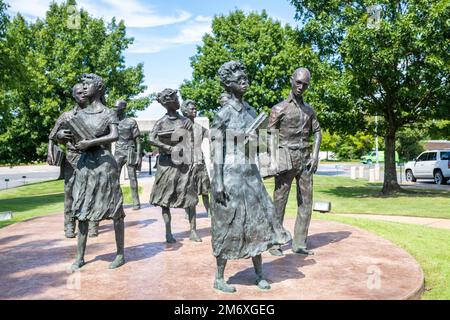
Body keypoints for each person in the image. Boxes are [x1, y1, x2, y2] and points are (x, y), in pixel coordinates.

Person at [210, 61, 291, 293]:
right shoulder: (223, 114)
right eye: (239, 79)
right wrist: (217, 181)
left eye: (246, 78)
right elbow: (216, 149)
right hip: (229, 176)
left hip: (251, 176)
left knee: (257, 224)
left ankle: (258, 274)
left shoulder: (252, 112)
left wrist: (255, 140)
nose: (244, 81)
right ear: (228, 84)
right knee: (227, 225)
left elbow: (260, 147)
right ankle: (219, 276)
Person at [69, 73, 126, 270]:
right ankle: (80, 257)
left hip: (104, 165)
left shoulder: (108, 113)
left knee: (115, 210)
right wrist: (63, 136)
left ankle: (120, 254)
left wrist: (91, 142)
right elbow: (72, 141)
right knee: (82, 209)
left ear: (99, 88)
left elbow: (114, 135)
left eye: (88, 84)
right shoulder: (79, 115)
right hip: (86, 165)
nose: (84, 88)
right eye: (82, 85)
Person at [267, 67, 322, 256]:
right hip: (285, 158)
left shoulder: (309, 110)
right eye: (298, 82)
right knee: (279, 201)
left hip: (305, 160)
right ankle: (274, 242)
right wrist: (273, 161)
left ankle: (299, 243)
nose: (301, 87)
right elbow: (270, 135)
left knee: (306, 201)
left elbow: (317, 131)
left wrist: (315, 155)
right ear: (291, 80)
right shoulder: (279, 108)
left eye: (305, 84)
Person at [148, 89, 201, 243]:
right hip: (166, 163)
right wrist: (167, 148)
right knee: (165, 198)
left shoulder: (185, 121)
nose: (179, 101)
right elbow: (151, 139)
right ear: (168, 102)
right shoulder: (161, 122)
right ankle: (168, 232)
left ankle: (193, 230)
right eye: (176, 98)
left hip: (183, 162)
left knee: (190, 196)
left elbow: (191, 141)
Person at [47, 83, 99, 238]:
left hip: (92, 156)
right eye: (78, 92)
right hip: (72, 157)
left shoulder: (96, 114)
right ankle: (69, 225)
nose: (82, 94)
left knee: (92, 190)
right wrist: (59, 137)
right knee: (69, 192)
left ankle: (93, 224)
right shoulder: (66, 116)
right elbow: (52, 136)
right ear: (74, 96)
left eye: (84, 91)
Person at [180, 99, 211, 217]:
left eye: (195, 108)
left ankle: (209, 211)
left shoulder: (199, 127)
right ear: (185, 111)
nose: (195, 110)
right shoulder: (180, 127)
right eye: (192, 109)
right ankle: (188, 213)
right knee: (188, 190)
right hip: (187, 164)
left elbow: (211, 134)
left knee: (205, 190)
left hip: (200, 162)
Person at [114, 100, 142, 210]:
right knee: (114, 177)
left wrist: (139, 155)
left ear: (123, 108)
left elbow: (138, 141)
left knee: (132, 178)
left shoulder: (131, 122)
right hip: (118, 152)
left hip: (130, 151)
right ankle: (117, 202)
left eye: (117, 107)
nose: (114, 108)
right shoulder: (113, 121)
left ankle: (136, 203)